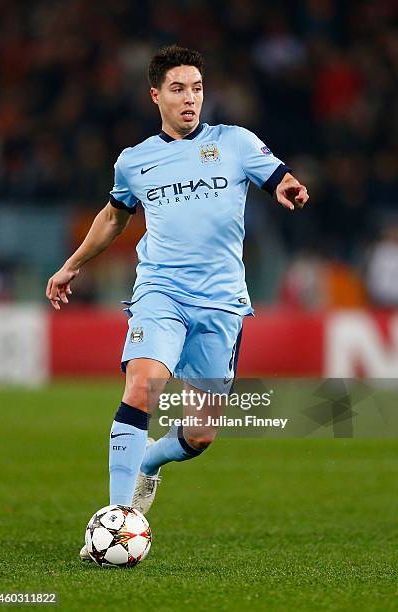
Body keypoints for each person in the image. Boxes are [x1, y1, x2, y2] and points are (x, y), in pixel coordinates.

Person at [45, 45, 309, 560]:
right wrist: (72, 264)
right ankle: (118, 521)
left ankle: (147, 462)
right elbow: (113, 216)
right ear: (156, 95)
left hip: (222, 304)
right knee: (143, 387)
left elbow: (279, 175)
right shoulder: (135, 161)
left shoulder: (234, 142)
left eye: (197, 89)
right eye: (178, 89)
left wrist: (289, 186)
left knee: (201, 432)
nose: (190, 99)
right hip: (160, 293)